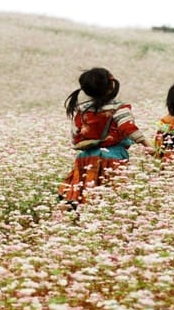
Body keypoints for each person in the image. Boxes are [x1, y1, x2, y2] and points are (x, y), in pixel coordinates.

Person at [58, 68, 152, 208]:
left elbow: (75, 136)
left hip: (85, 158)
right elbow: (129, 128)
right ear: (111, 87)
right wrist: (148, 146)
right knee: (111, 198)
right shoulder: (118, 108)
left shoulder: (82, 110)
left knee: (83, 197)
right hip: (112, 157)